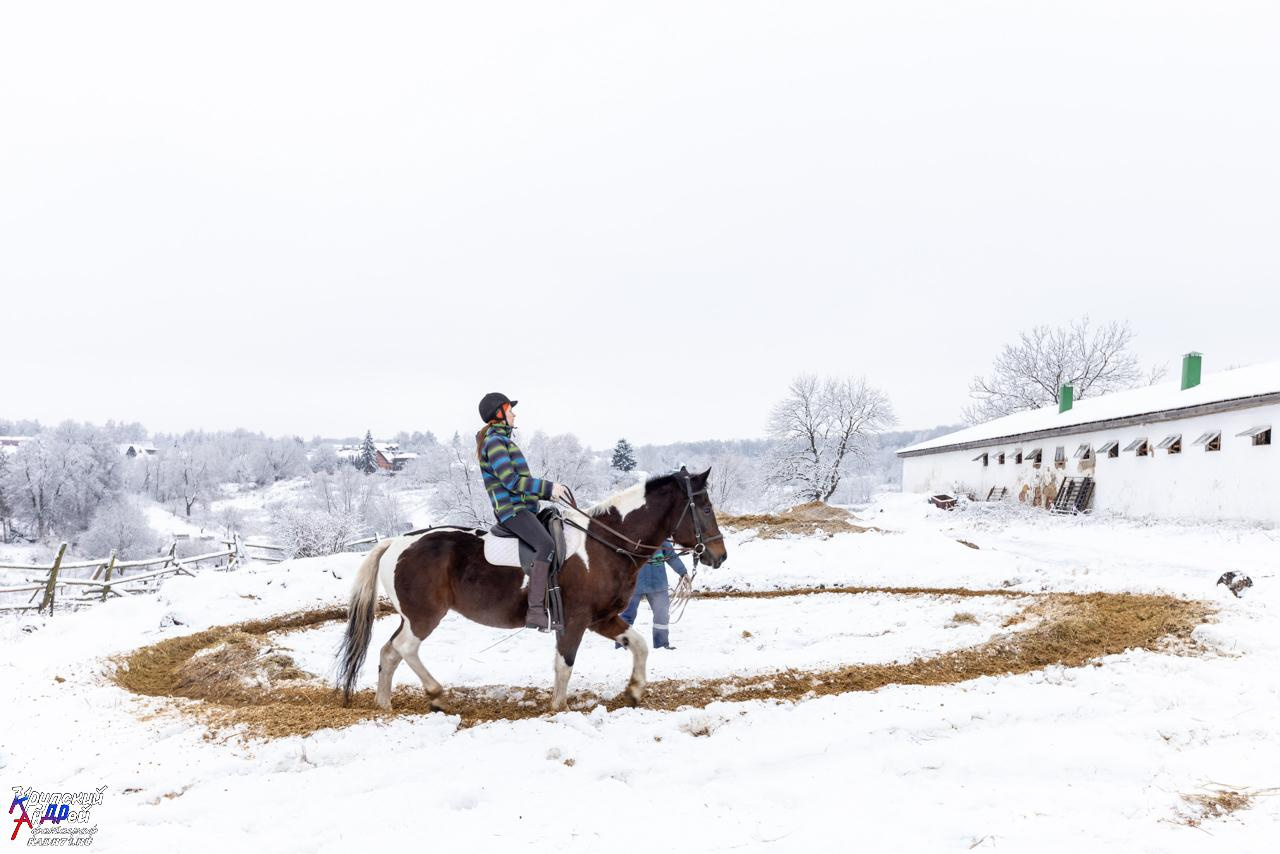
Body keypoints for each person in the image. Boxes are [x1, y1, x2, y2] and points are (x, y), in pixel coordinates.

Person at [475, 392, 571, 632]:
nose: (514, 414)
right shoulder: (495, 443)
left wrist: (548, 494)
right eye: (510, 410)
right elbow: (511, 480)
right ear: (499, 414)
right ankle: (536, 611)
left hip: (524, 508)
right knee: (546, 545)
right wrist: (549, 488)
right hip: (512, 510)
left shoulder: (504, 441)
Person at [619, 538, 688, 649]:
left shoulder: (660, 536)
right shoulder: (629, 534)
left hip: (657, 584)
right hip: (633, 584)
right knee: (628, 615)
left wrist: (683, 572)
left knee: (662, 616)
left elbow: (671, 555)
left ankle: (661, 644)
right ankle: (622, 645)